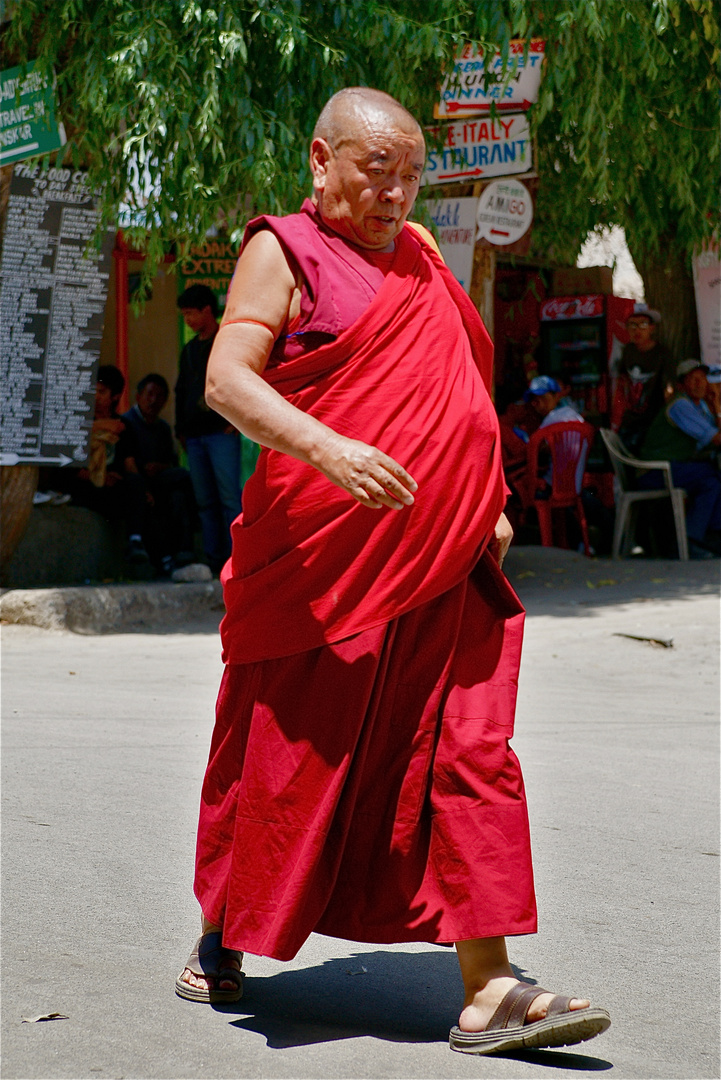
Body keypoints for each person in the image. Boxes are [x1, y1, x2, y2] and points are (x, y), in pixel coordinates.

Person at [175, 88, 610, 1056]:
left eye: (410, 176)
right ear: (319, 161)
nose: (395, 193)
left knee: (465, 750)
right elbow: (226, 380)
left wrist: (487, 497)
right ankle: (224, 928)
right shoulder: (280, 252)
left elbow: (458, 388)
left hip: (440, 557)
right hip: (323, 568)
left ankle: (488, 984)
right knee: (283, 759)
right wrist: (330, 453)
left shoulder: (419, 260)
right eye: (376, 171)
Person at [175, 284, 242, 573]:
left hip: (220, 432)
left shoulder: (226, 342)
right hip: (195, 437)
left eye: (191, 313)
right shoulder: (189, 349)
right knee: (205, 501)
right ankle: (216, 561)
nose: (188, 320)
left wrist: (234, 421)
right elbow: (181, 391)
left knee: (229, 497)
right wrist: (181, 429)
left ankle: (238, 561)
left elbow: (242, 381)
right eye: (184, 315)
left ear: (206, 311)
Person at [639, 359, 721, 559]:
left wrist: (715, 402)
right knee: (714, 474)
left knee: (712, 481)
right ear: (681, 385)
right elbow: (717, 438)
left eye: (702, 378)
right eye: (692, 379)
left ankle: (702, 538)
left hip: (673, 468)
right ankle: (698, 539)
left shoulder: (699, 406)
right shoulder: (681, 405)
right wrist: (717, 406)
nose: (699, 383)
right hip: (655, 472)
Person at [121, 374, 196, 574]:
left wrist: (159, 467)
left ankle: (185, 552)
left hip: (161, 483)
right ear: (138, 397)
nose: (153, 400)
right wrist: (144, 489)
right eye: (149, 394)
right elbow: (127, 463)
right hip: (135, 485)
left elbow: (171, 462)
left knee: (180, 494)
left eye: (159, 396)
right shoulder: (127, 423)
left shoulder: (162, 428)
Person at [610, 307, 674, 453]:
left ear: (651, 328)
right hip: (629, 421)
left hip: (653, 422)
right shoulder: (628, 350)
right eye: (632, 325)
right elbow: (622, 384)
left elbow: (670, 389)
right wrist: (617, 414)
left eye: (643, 324)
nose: (637, 330)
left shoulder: (662, 353)